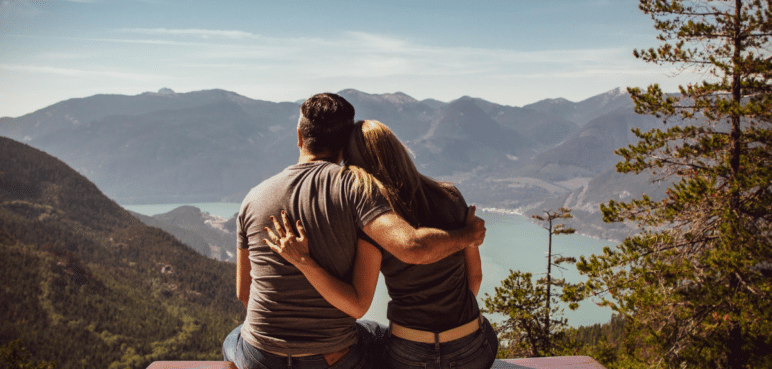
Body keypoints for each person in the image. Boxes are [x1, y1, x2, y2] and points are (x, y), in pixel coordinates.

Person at [222, 94, 487, 369]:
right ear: (344, 143)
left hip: (261, 356)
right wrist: (468, 235)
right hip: (332, 359)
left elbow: (245, 293)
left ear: (299, 137)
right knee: (377, 334)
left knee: (233, 339)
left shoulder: (253, 198)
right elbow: (409, 248)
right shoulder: (357, 189)